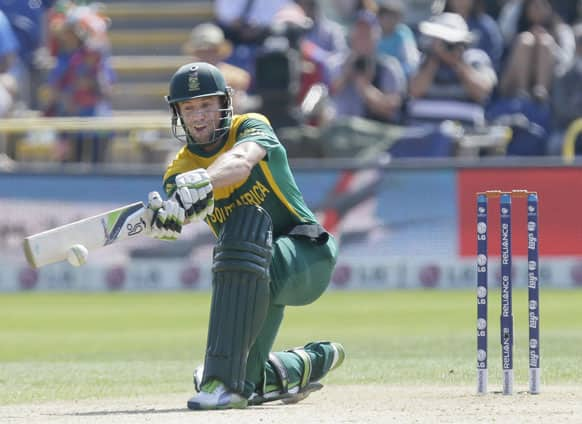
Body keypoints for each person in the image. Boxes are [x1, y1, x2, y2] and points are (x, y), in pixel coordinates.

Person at [145, 61, 344, 410]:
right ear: (177, 113)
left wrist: (204, 181)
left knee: (242, 238)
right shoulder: (180, 168)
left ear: (225, 103)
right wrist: (170, 217)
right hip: (252, 273)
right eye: (189, 108)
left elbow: (241, 161)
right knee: (237, 252)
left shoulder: (251, 127)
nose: (199, 116)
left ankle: (222, 382)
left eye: (207, 104)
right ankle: (298, 364)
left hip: (308, 256)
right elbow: (186, 210)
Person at [330, 10, 406, 123]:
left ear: (377, 37)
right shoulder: (337, 64)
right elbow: (330, 94)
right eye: (359, 33)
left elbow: (391, 110)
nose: (362, 38)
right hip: (340, 133)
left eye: (367, 34)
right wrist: (347, 74)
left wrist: (364, 87)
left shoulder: (388, 67)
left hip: (375, 135)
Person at [498, 0, 575, 102]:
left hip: (553, 82)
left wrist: (550, 45)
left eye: (542, 4)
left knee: (545, 42)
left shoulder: (561, 30)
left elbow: (567, 60)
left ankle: (541, 90)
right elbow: (504, 33)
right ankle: (522, 91)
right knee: (525, 40)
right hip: (514, 81)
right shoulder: (516, 26)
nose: (537, 8)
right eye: (533, 5)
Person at [182, 22, 251, 113]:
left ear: (219, 51)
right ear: (196, 53)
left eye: (211, 50)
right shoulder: (184, 78)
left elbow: (236, 108)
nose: (206, 55)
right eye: (202, 51)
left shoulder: (238, 77)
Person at [376, 0, 420, 79]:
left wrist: (393, 70)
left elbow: (412, 63)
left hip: (399, 79)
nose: (391, 21)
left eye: (394, 17)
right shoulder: (374, 32)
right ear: (379, 17)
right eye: (387, 17)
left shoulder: (403, 33)